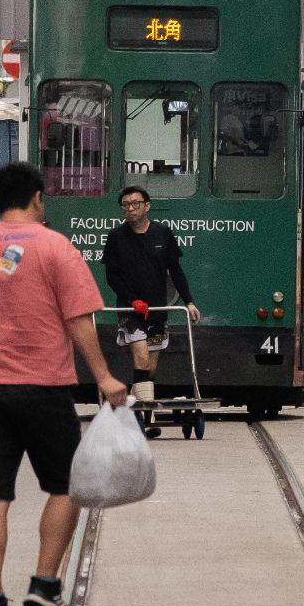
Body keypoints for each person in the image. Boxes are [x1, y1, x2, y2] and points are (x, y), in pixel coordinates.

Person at [0, 160, 129, 606]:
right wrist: (103, 376)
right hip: (44, 387)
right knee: (67, 486)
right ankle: (43, 584)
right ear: (38, 198)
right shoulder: (56, 247)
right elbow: (80, 318)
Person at [102, 184, 200, 439]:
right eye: (125, 205)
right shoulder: (116, 237)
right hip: (130, 310)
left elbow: (175, 271)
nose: (130, 209)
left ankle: (133, 415)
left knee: (150, 369)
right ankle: (144, 422)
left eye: (135, 204)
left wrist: (189, 301)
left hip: (158, 310)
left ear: (147, 206)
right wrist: (132, 299)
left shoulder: (163, 234)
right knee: (142, 360)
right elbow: (111, 276)